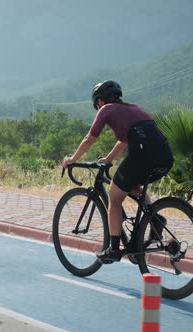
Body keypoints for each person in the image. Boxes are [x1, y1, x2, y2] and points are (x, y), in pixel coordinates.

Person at [62, 80, 173, 263]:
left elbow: (90, 138)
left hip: (143, 154)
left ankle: (113, 249)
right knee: (133, 187)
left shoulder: (106, 109)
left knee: (114, 197)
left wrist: (72, 159)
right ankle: (154, 220)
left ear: (99, 101)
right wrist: (108, 159)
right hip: (165, 156)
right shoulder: (134, 108)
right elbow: (123, 141)